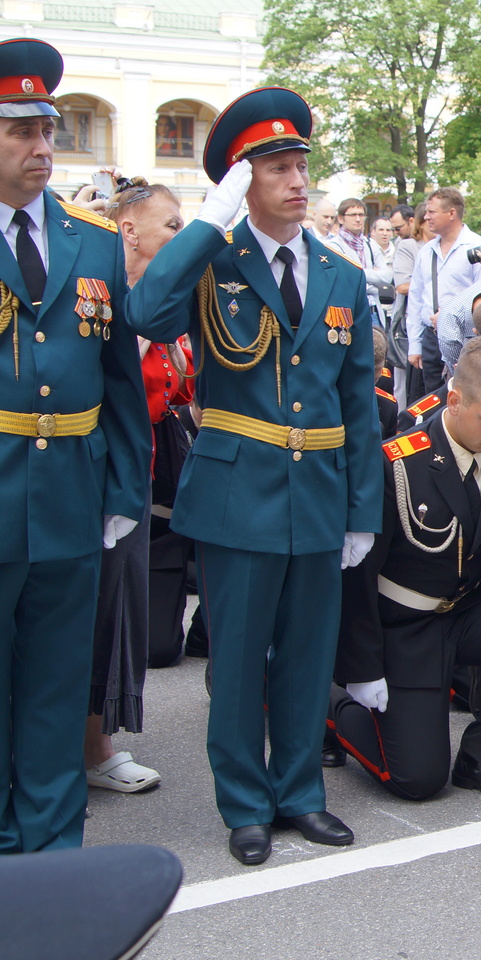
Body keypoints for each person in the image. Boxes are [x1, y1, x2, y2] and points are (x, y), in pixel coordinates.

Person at [126, 86, 383, 866]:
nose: (298, 180)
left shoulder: (340, 275)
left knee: (309, 657)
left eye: (302, 163)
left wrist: (362, 509)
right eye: (277, 167)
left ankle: (300, 794)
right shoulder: (215, 261)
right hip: (239, 495)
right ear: (245, 181)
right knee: (237, 663)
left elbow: (359, 403)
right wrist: (208, 220)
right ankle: (244, 803)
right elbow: (145, 311)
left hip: (318, 498)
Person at [0, 38, 149, 850]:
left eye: (46, 129)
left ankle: (53, 837)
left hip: (72, 491)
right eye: (20, 130)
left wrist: (124, 494)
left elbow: (123, 380)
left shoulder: (90, 240)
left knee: (58, 678)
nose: (41, 147)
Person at [329, 345, 481, 806]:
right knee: (417, 781)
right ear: (454, 400)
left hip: (466, 605)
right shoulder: (396, 464)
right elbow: (358, 576)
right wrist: (360, 667)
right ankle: (333, 703)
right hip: (404, 622)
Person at [84, 179, 195, 795]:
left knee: (118, 610)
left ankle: (97, 745)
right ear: (128, 231)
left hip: (140, 465)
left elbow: (175, 388)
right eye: (171, 224)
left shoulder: (162, 301)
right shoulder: (93, 289)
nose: (182, 235)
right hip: (79, 465)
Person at [406, 188, 481, 395]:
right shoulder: (426, 251)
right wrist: (415, 345)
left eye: (432, 212)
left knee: (466, 395)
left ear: (451, 213)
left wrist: (451, 316)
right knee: (432, 399)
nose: (426, 217)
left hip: (465, 337)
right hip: (431, 338)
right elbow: (415, 299)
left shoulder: (477, 247)